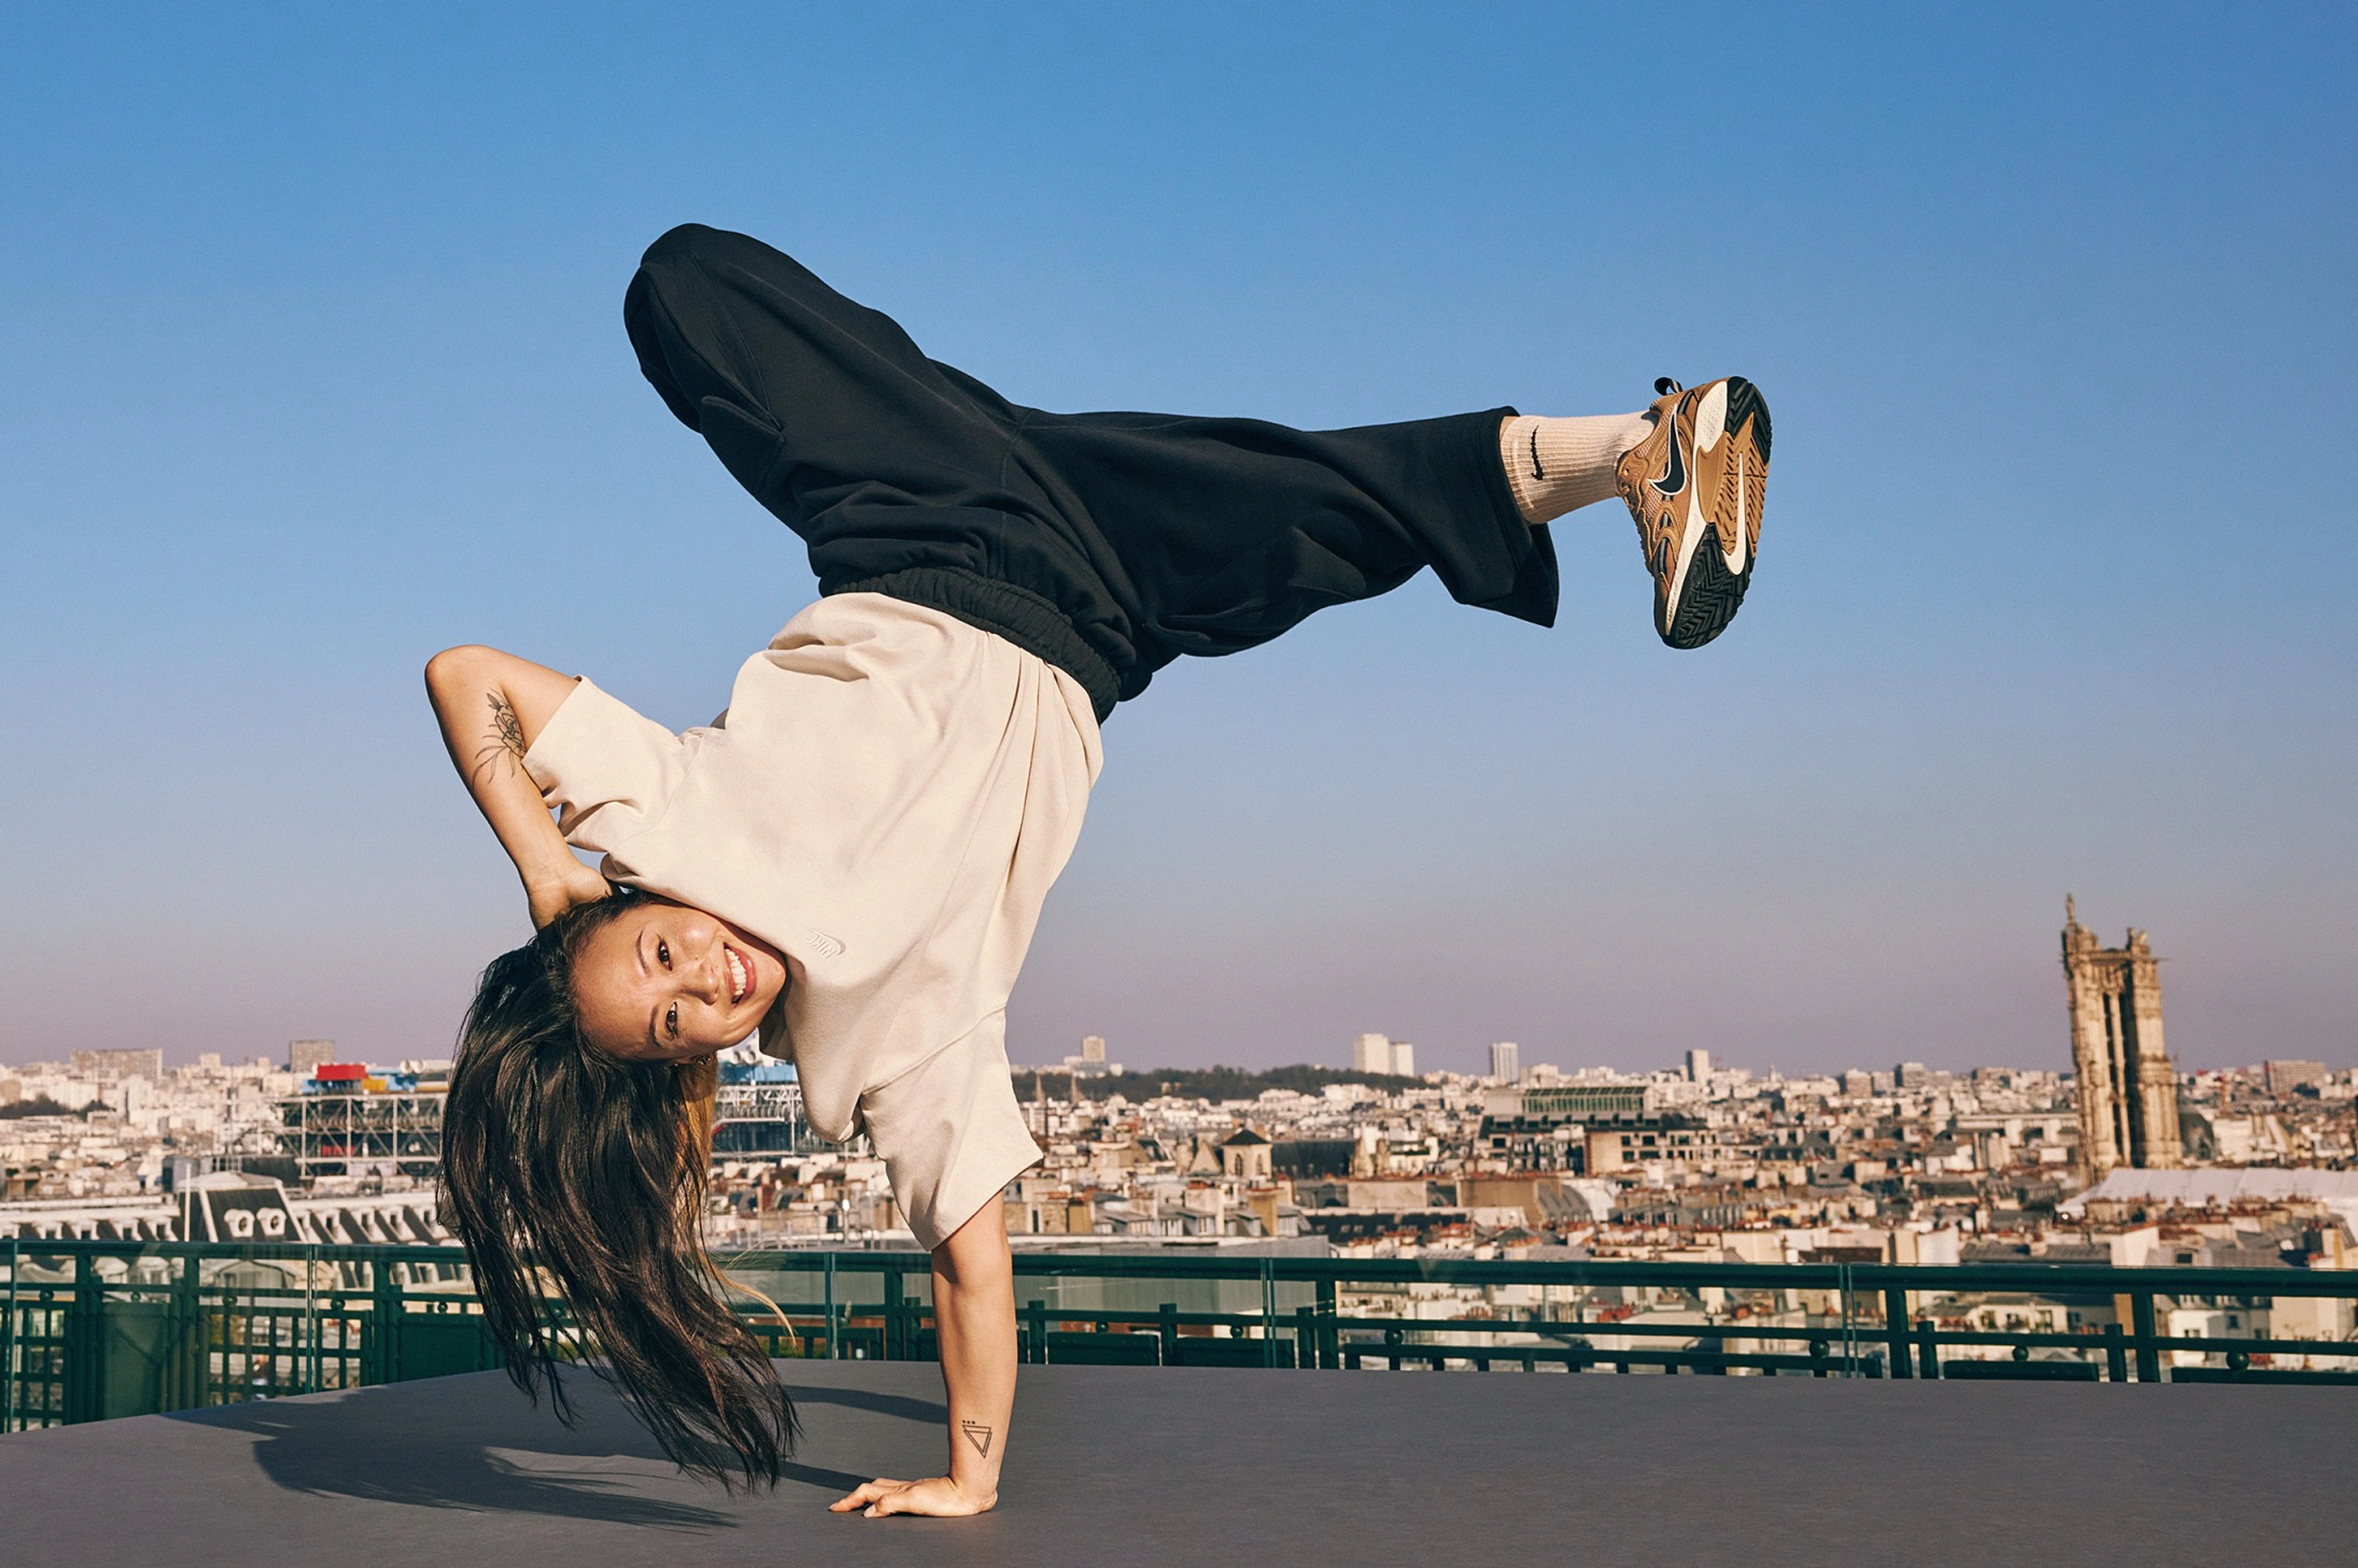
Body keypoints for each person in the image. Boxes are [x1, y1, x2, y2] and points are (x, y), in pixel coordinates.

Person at [426, 223, 1770, 1516]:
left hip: (922, 517)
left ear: (644, 899)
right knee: (1323, 507)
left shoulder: (670, 810)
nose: (707, 978)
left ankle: (950, 404)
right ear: (690, 1067)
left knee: (680, 283)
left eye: (662, 950)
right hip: (1102, 597)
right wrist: (973, 1474)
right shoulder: (882, 1048)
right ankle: (1655, 450)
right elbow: (971, 1270)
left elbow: (467, 675)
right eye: (679, 1020)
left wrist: (552, 875)